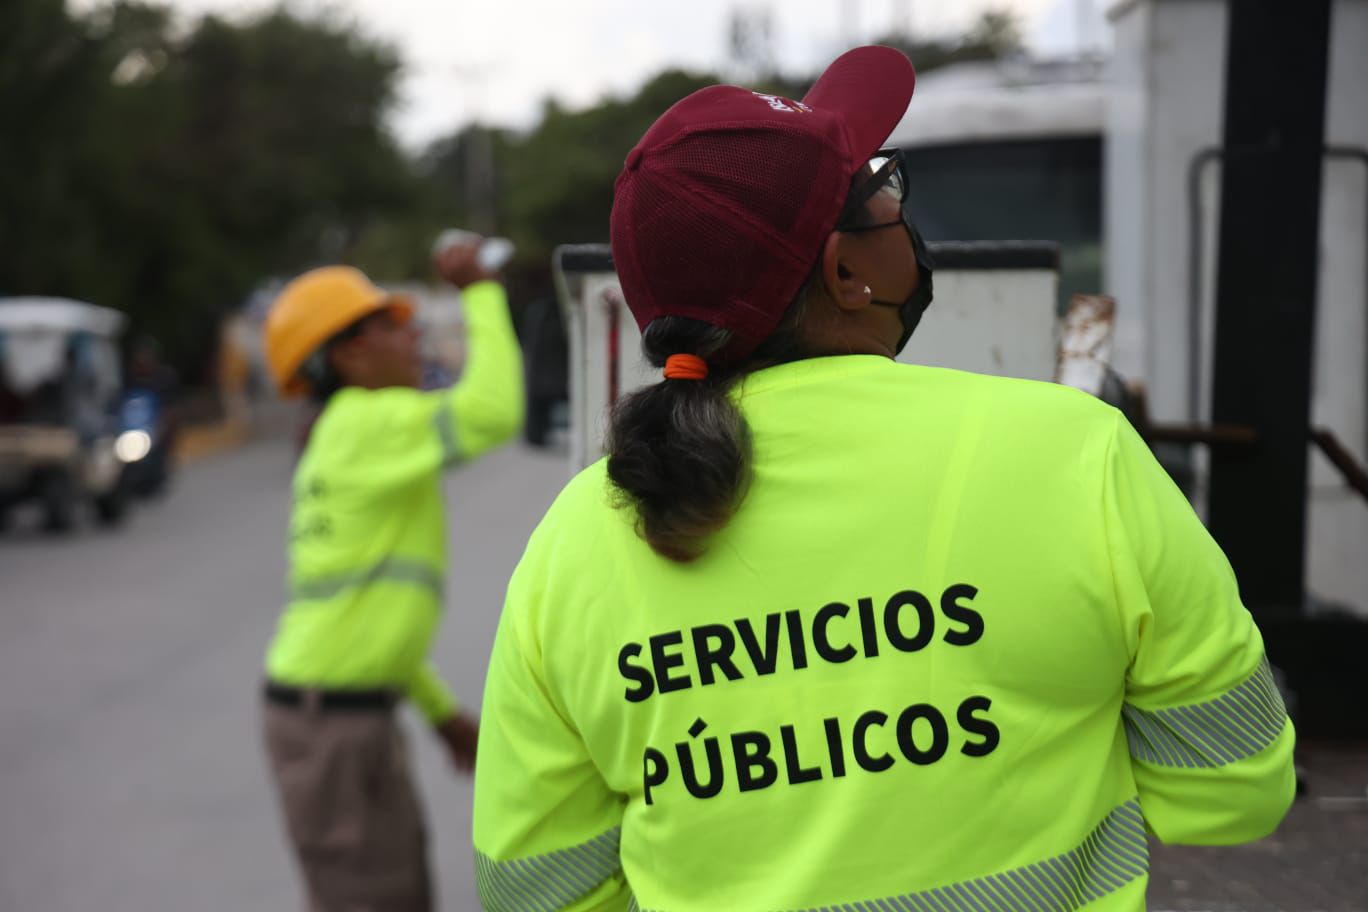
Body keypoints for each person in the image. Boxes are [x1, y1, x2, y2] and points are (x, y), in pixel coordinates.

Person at [470, 46, 1295, 912]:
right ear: (845, 271)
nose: (903, 212)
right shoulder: (1076, 452)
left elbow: (537, 891)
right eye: (885, 191)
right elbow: (1233, 790)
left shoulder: (575, 535)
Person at [261, 241, 523, 911]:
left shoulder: (351, 433)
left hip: (343, 714)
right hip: (337, 725)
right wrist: (481, 293)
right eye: (392, 325)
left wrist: (438, 714)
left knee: (393, 892)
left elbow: (369, 620)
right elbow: (493, 412)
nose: (413, 334)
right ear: (347, 354)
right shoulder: (367, 425)